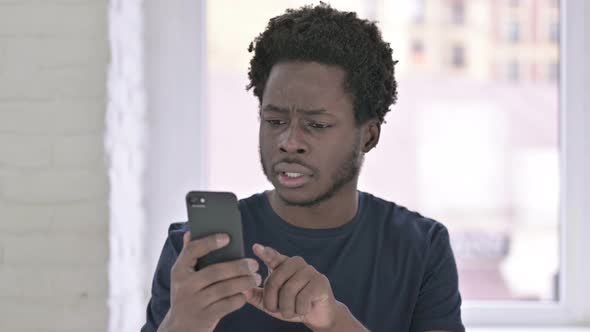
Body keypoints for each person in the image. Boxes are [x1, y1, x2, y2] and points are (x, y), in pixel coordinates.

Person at [141, 3, 464, 332]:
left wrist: (334, 321)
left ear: (368, 135)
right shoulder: (192, 250)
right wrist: (182, 324)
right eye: (274, 120)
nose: (289, 141)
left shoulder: (420, 248)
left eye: (317, 124)